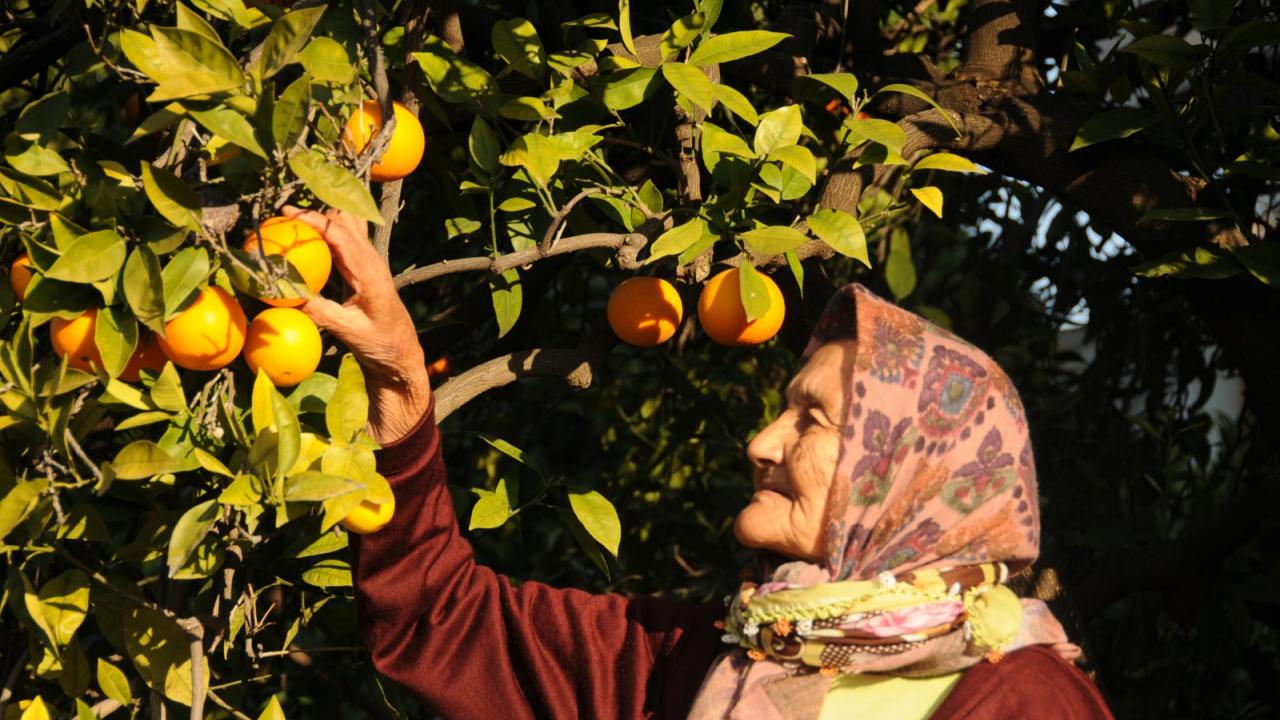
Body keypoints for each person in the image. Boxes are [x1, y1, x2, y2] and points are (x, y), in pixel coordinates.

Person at [284, 207, 1114, 719]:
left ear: (903, 478)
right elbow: (444, 619)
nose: (761, 442)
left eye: (811, 420)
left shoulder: (1019, 703)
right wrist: (399, 394)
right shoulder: (696, 661)